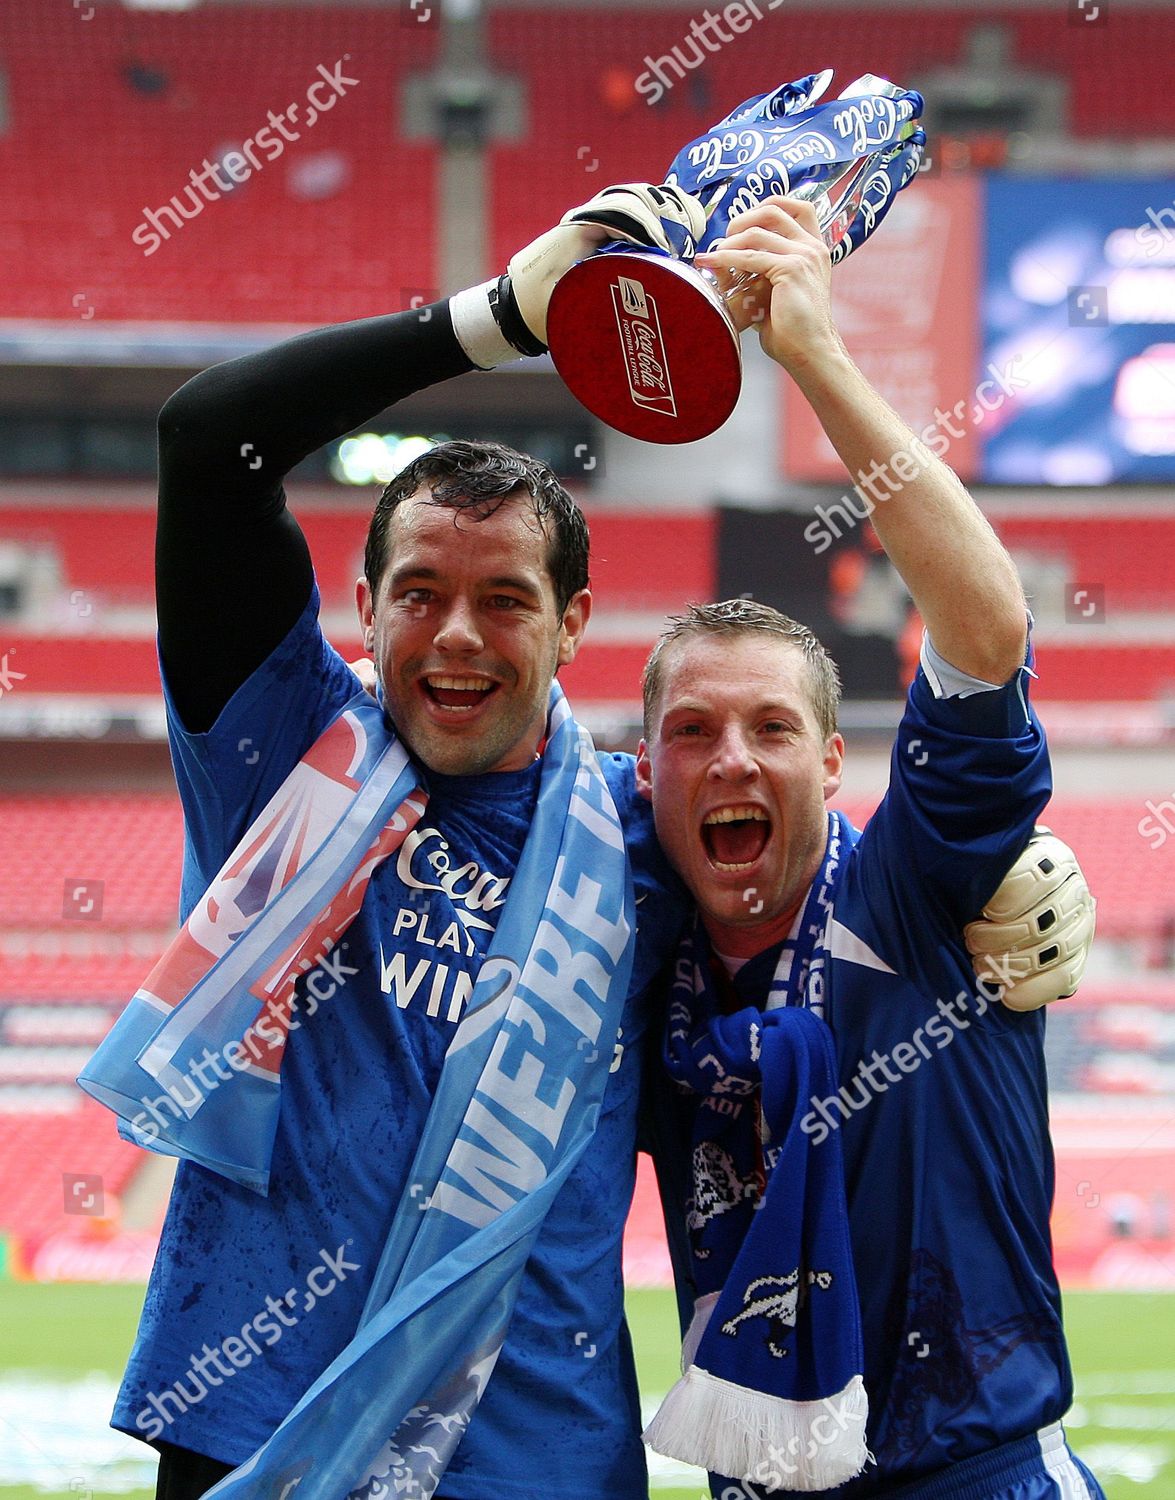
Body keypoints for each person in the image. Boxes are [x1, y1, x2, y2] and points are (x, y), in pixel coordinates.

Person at [635, 202, 1101, 1497]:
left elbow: (984, 627)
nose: (732, 758)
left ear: (835, 764)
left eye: (773, 727)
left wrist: (818, 361)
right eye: (693, 731)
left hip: (976, 1472)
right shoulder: (634, 953)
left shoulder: (913, 886)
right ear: (647, 773)